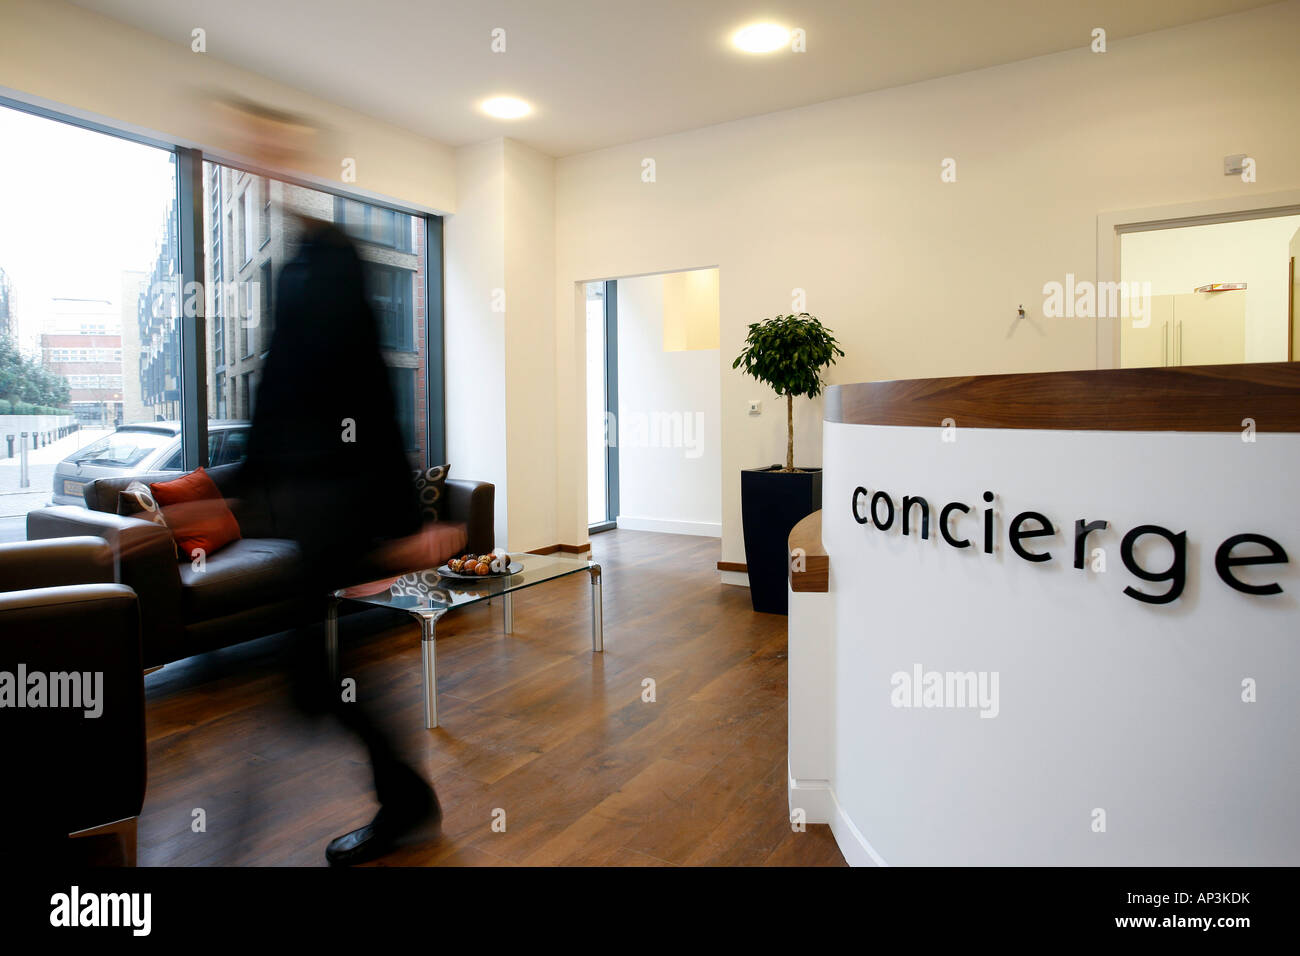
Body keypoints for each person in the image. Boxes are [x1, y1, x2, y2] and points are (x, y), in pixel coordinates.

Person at [227, 97, 440, 865]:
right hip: (313, 499)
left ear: (296, 160)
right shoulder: (297, 263)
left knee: (321, 675)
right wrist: (245, 485)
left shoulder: (334, 256)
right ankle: (403, 796)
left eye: (267, 147)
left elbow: (369, 383)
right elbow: (279, 381)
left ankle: (405, 801)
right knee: (319, 673)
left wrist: (408, 515)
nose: (256, 160)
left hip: (339, 497)